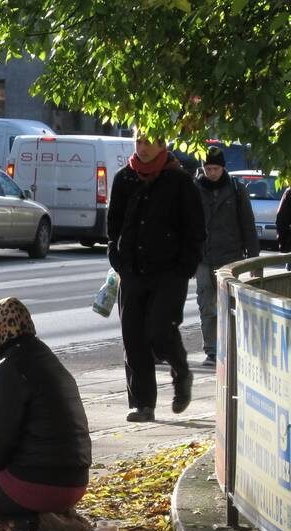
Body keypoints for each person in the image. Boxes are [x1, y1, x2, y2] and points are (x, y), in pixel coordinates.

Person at [0, 297, 92, 531]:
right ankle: (50, 514)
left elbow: (2, 438)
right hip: (75, 482)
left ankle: (33, 523)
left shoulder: (7, 371)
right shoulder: (50, 361)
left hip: (38, 483)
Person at [106, 130, 204, 423]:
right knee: (133, 337)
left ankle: (181, 373)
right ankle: (142, 404)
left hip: (169, 272)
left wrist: (185, 267)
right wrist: (116, 255)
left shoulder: (179, 180)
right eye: (139, 141)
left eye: (148, 142)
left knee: (159, 332)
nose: (142, 148)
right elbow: (114, 223)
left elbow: (195, 229)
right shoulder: (125, 177)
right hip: (132, 270)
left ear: (162, 145)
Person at [193, 146, 258, 366]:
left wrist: (254, 259)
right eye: (208, 169)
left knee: (230, 305)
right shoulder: (195, 189)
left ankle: (230, 347)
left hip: (230, 257)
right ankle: (212, 350)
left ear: (223, 168)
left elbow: (248, 224)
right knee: (206, 304)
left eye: (215, 168)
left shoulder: (236, 189)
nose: (211, 173)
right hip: (203, 257)